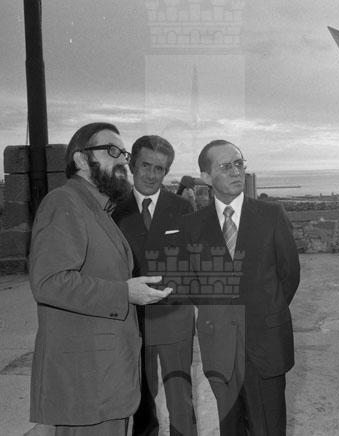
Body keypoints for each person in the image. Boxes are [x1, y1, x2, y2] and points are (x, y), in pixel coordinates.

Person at [28, 122, 172, 435]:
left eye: (124, 153)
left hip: (104, 381)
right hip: (86, 384)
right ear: (81, 159)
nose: (122, 160)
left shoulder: (97, 208)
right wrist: (125, 293)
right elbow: (49, 282)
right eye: (111, 151)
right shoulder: (63, 203)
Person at [181, 139, 300, 435]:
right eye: (225, 166)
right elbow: (191, 281)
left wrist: (266, 308)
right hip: (219, 346)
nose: (236, 171)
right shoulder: (192, 225)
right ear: (206, 177)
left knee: (269, 428)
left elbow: (289, 275)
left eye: (239, 163)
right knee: (230, 427)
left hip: (266, 343)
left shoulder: (271, 215)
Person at [112, 135, 196, 436]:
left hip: (175, 318)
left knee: (181, 400)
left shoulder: (183, 208)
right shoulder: (114, 210)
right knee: (141, 402)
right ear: (133, 165)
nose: (151, 174)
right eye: (145, 165)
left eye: (159, 168)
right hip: (132, 321)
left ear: (166, 171)